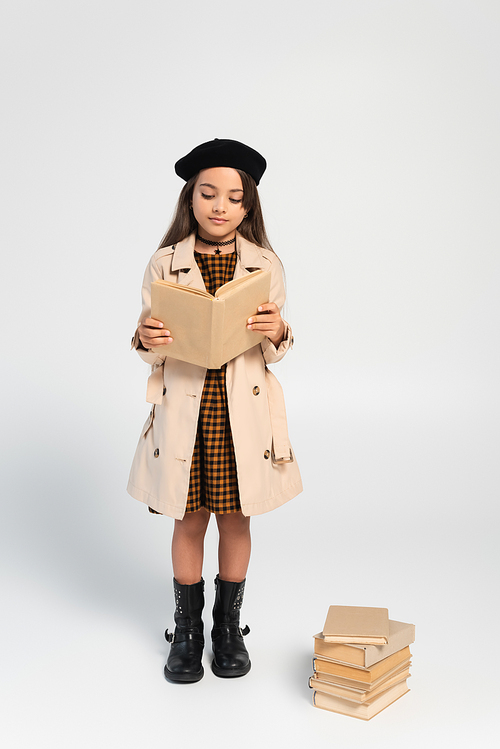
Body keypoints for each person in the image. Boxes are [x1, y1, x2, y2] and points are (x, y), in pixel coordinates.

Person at [128, 138, 302, 683]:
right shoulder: (165, 262)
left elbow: (275, 346)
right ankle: (187, 632)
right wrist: (145, 335)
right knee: (187, 520)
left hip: (239, 416)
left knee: (236, 519)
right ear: (191, 198)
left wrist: (278, 332)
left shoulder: (264, 264)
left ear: (248, 206)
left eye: (233, 197)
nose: (219, 206)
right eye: (208, 194)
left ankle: (228, 628)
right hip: (187, 411)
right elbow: (151, 342)